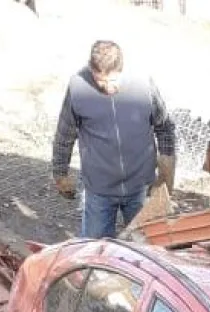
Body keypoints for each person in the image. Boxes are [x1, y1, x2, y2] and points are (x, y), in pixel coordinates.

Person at [52, 40, 176, 239]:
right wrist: (60, 173)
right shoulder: (78, 87)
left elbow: (165, 127)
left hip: (140, 185)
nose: (108, 88)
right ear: (92, 70)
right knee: (94, 251)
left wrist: (166, 169)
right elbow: (65, 134)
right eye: (100, 81)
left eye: (113, 81)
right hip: (99, 190)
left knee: (147, 248)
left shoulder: (143, 83)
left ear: (122, 69)